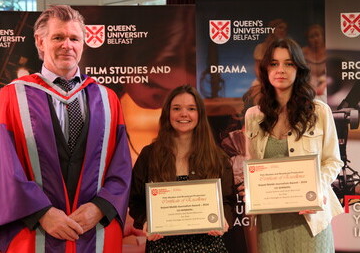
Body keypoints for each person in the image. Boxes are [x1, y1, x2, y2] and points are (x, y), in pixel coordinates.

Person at [0, 5, 132, 253]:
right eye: (58, 37)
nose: (67, 45)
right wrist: (41, 212)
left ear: (84, 43)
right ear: (40, 42)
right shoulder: (10, 97)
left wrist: (101, 206)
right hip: (33, 230)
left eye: (74, 38)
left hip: (94, 231)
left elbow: (121, 165)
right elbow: (3, 166)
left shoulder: (108, 99)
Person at [243, 38, 343, 252]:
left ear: (299, 69)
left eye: (289, 63)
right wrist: (250, 188)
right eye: (274, 63)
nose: (281, 70)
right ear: (265, 70)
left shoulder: (319, 111)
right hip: (270, 222)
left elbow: (333, 161)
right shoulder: (253, 116)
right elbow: (252, 165)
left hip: (311, 220)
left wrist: (317, 188)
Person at [129, 85, 237, 252]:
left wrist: (223, 219)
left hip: (207, 245)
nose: (184, 114)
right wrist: (146, 221)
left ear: (199, 114)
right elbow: (135, 200)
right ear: (168, 114)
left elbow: (228, 200)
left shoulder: (217, 157)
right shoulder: (149, 155)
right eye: (177, 108)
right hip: (162, 246)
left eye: (191, 109)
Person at [302, 24, 327, 101]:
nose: (315, 39)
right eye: (312, 37)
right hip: (307, 88)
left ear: (323, 36)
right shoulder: (302, 52)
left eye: (317, 35)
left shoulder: (330, 51)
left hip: (326, 88)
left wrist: (323, 85)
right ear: (307, 39)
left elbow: (335, 73)